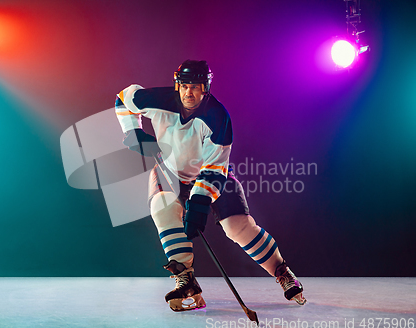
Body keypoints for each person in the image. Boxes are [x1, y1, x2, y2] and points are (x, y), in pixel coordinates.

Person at [114, 60, 306, 312]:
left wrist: (198, 202)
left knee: (237, 228)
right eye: (184, 86)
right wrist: (133, 132)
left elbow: (214, 170)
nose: (189, 93)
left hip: (211, 174)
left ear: (205, 88)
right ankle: (186, 279)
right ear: (177, 85)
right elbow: (122, 98)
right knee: (163, 209)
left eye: (195, 87)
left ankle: (282, 271)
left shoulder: (217, 117)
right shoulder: (154, 99)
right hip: (169, 171)